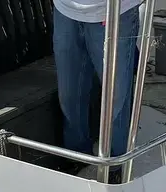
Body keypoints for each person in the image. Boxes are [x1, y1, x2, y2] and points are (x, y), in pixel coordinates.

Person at [53, 0, 140, 182]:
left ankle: (114, 163)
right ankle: (76, 154)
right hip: (65, 9)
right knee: (69, 93)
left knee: (115, 96)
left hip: (115, 11)